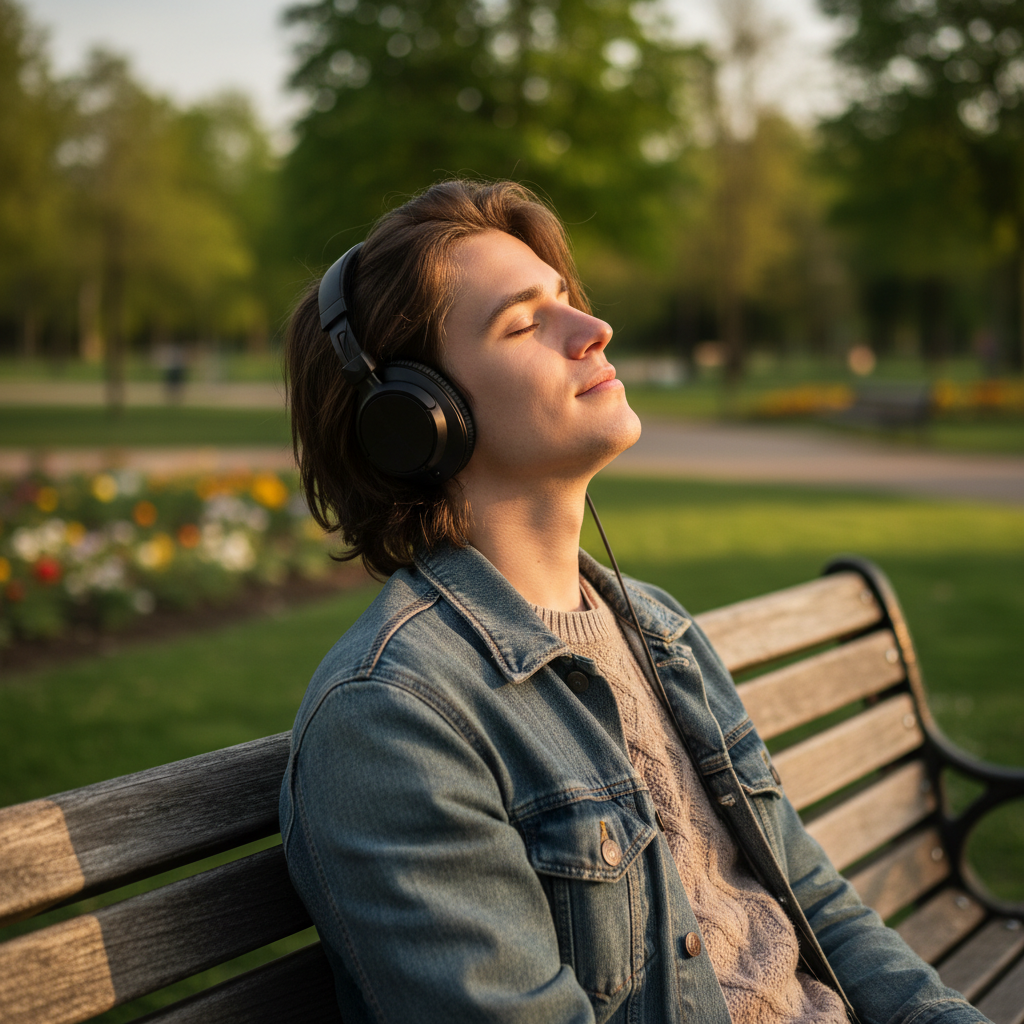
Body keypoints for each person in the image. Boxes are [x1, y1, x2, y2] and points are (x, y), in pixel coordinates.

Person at [280, 179, 987, 1024]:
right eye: (523, 322)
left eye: (565, 300)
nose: (593, 329)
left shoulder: (656, 629)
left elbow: (819, 908)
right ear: (417, 421)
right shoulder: (395, 722)